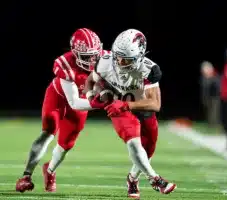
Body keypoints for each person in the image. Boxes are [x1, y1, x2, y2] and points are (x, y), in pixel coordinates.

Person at [85, 29, 176, 199]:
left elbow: (155, 104)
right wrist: (93, 95)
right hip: (117, 107)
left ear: (139, 56)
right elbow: (90, 81)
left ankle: (132, 178)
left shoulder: (148, 69)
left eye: (125, 59)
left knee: (148, 149)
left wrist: (126, 105)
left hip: (140, 107)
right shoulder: (105, 62)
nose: (119, 62)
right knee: (134, 142)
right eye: (117, 56)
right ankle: (155, 179)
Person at [15, 28, 106, 192]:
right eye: (87, 56)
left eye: (95, 54)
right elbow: (74, 103)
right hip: (59, 98)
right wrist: (103, 103)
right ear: (75, 53)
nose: (92, 60)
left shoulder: (108, 59)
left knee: (67, 144)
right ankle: (26, 176)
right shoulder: (65, 64)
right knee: (48, 131)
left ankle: (50, 171)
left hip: (83, 100)